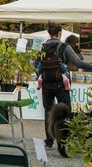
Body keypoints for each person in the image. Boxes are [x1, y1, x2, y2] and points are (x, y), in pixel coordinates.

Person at [36, 24, 92, 155]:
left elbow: (36, 63)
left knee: (49, 112)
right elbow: (78, 63)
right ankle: (67, 141)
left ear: (49, 33)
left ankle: (49, 141)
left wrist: (42, 74)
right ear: (60, 33)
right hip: (62, 84)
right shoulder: (64, 47)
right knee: (65, 113)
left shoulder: (43, 47)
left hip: (47, 84)